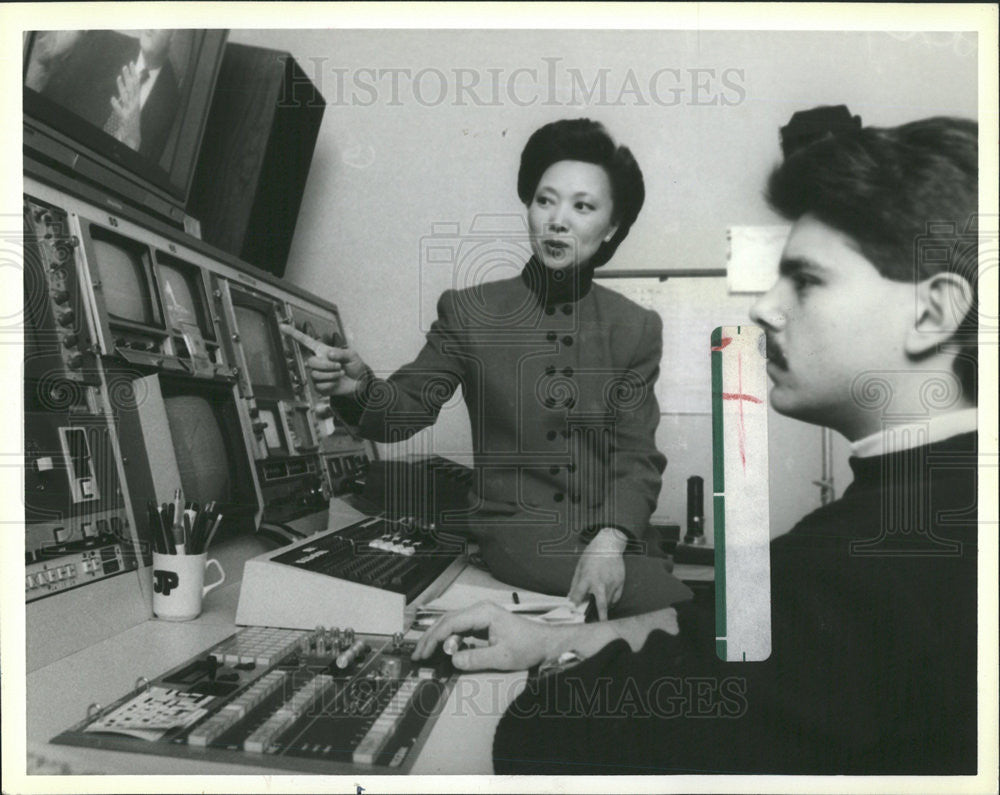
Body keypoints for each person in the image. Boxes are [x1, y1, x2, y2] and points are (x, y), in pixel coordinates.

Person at [412, 110, 979, 774]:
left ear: (934, 311)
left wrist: (566, 646)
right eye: (546, 199)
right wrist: (547, 637)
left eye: (807, 279)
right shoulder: (934, 499)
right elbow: (718, 629)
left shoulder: (856, 567)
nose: (764, 308)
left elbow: (547, 731)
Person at [307, 119, 691, 619]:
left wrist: (611, 541)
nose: (558, 220)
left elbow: (635, 457)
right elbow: (402, 415)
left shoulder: (635, 327)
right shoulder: (470, 311)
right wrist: (356, 388)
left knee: (682, 620)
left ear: (611, 227)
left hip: (615, 538)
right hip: (519, 534)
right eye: (545, 200)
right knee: (676, 615)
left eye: (583, 206)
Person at [36, 29, 180, 162]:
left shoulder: (174, 104)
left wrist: (133, 144)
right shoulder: (103, 42)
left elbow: (151, 175)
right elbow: (49, 101)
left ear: (174, 34)